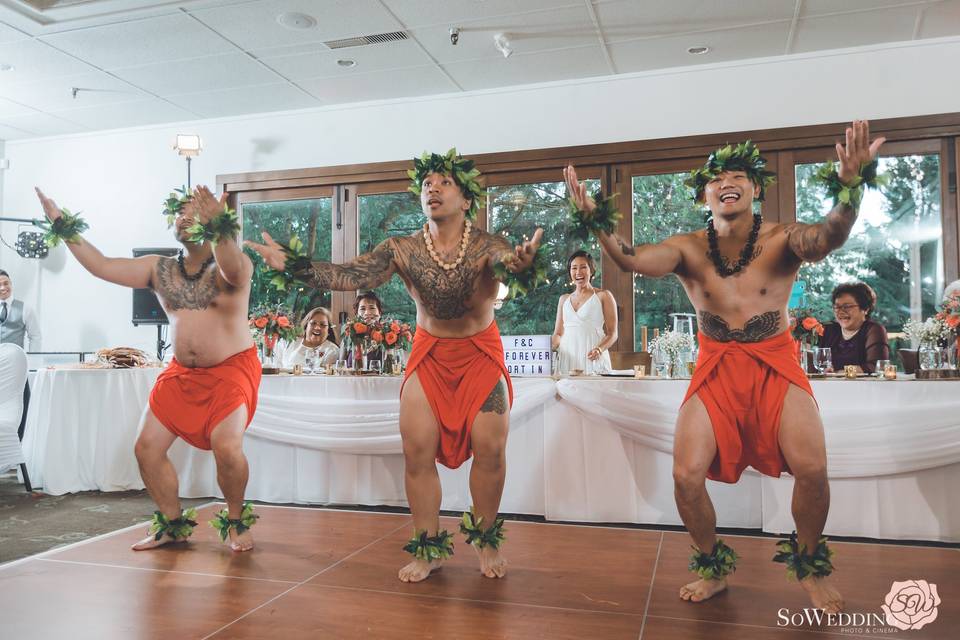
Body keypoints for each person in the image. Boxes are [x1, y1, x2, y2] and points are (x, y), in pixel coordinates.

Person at [565, 120, 885, 614]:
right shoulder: (687, 248)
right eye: (716, 178)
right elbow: (630, 259)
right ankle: (711, 566)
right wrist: (596, 221)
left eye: (738, 174)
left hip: (775, 362)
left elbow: (828, 236)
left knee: (814, 470)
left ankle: (809, 564)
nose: (726, 182)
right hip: (715, 365)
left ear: (755, 189)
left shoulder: (782, 239)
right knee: (686, 475)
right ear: (705, 195)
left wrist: (850, 188)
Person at [248, 148, 542, 583]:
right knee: (417, 451)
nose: (432, 188)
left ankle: (485, 537)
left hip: (479, 353)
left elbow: (508, 265)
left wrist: (521, 264)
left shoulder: (488, 245)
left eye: (444, 183)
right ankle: (427, 545)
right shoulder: (401, 249)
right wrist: (294, 266)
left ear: (466, 200)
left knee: (492, 450)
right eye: (427, 184)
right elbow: (350, 275)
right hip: (429, 354)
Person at [35, 185, 262, 552]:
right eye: (180, 213)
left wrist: (219, 224)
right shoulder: (160, 268)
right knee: (146, 448)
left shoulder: (232, 266)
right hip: (180, 374)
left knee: (227, 446)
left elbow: (234, 269)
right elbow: (102, 266)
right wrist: (60, 223)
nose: (184, 217)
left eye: (194, 212)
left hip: (230, 371)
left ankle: (235, 521)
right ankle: (173, 525)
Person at [551, 251, 618, 374]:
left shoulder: (603, 296)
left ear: (591, 270)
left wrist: (599, 349)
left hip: (592, 355)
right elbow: (558, 333)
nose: (578, 272)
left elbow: (613, 334)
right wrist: (548, 348)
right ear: (570, 272)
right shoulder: (563, 299)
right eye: (574, 268)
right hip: (567, 357)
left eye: (583, 267)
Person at [0, 270, 41, 440]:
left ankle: (20, 444)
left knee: (22, 405)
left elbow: (36, 337)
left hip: (17, 368)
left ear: (11, 284)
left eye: (6, 283)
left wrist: (31, 364)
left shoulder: (25, 308)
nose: (3, 288)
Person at [819, 282, 889, 373]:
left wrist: (839, 372)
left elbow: (877, 367)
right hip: (828, 385)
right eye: (837, 307)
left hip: (865, 386)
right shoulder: (829, 329)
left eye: (847, 307)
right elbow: (805, 347)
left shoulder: (874, 330)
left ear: (865, 309)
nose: (840, 312)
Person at [338, 291, 386, 367]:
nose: (367, 312)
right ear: (356, 314)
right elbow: (340, 365)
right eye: (363, 309)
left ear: (379, 312)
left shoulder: (388, 335)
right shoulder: (349, 335)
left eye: (372, 308)